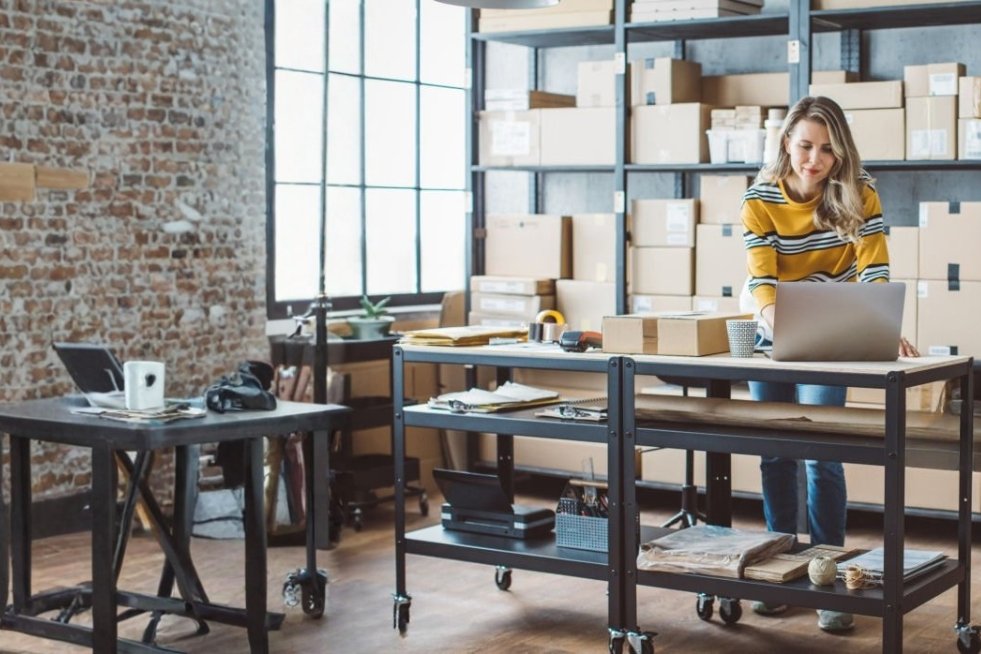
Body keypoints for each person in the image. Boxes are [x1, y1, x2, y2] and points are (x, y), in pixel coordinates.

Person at [738, 95, 919, 633]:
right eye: (804, 147)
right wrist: (783, 325)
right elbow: (762, 281)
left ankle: (827, 577)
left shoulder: (860, 194)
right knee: (775, 454)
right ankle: (781, 566)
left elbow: (874, 271)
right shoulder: (760, 198)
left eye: (826, 150)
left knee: (823, 455)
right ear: (785, 143)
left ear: (840, 154)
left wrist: (883, 325)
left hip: (836, 337)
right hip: (775, 333)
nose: (813, 160)